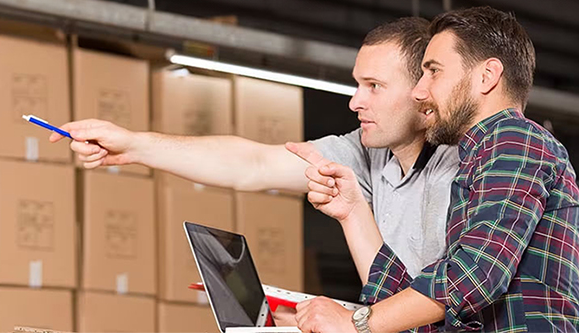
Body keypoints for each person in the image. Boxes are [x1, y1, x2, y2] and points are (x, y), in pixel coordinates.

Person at [49, 17, 459, 282]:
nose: (354, 101)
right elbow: (252, 164)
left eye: (374, 86)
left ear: (423, 91)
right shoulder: (369, 155)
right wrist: (135, 145)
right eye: (356, 84)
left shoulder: (462, 169)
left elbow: (445, 302)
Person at [289, 6, 579, 333]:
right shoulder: (478, 157)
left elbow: (474, 275)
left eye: (433, 71)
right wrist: (353, 213)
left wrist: (354, 323)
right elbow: (429, 316)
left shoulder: (515, 139)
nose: (420, 91)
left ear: (487, 76)